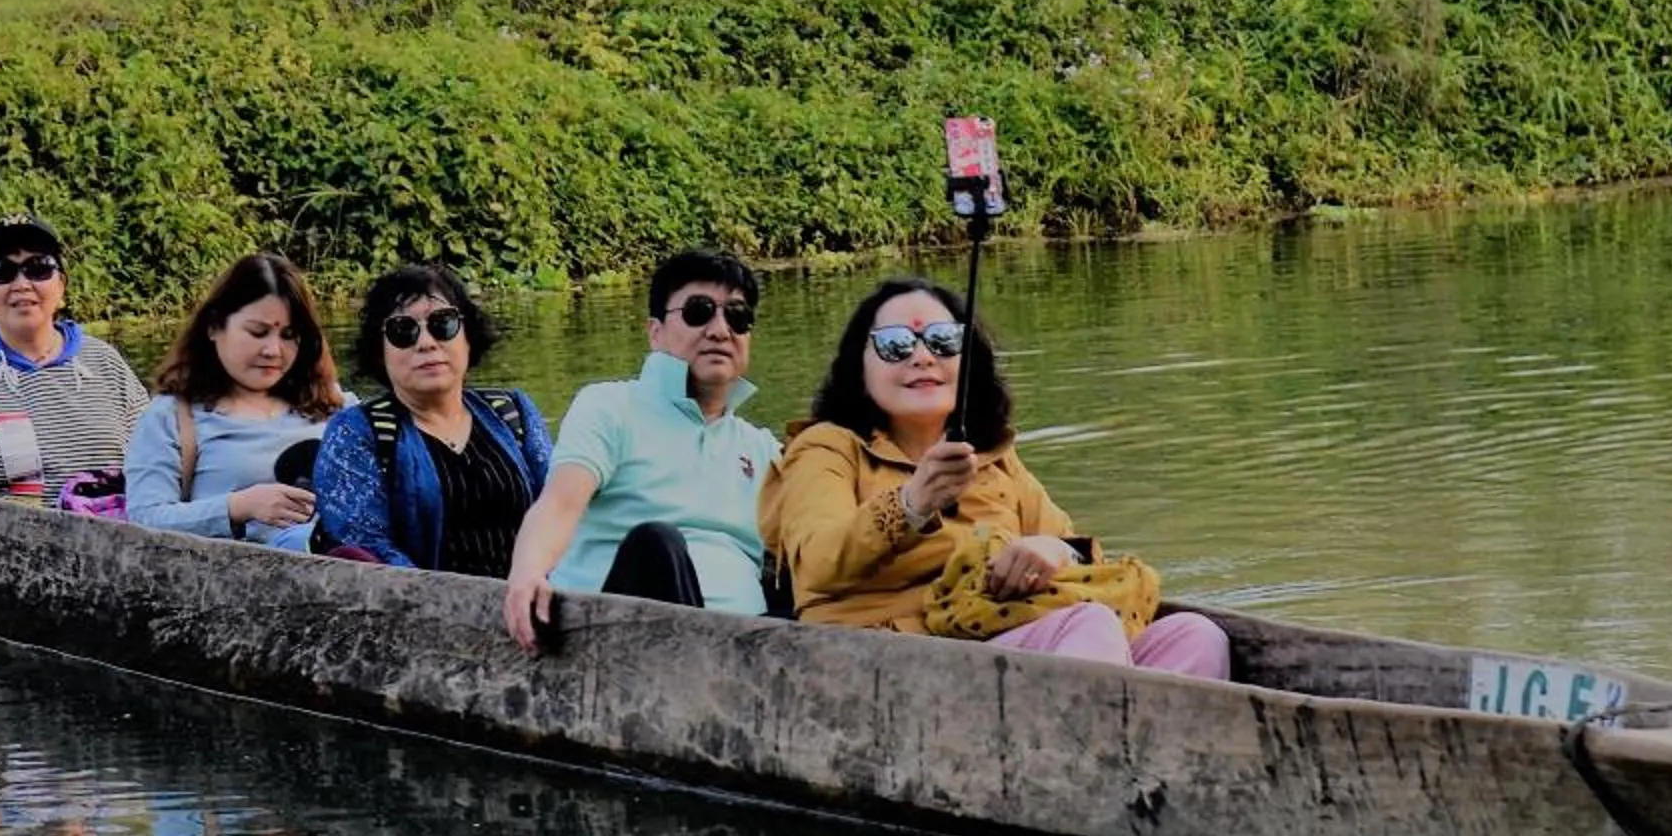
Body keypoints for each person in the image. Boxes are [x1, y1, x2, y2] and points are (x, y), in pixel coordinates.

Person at [757, 278, 1231, 676]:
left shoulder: (991, 457)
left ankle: (1139, 769)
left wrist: (1051, 550)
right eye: (895, 345)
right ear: (859, 369)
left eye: (942, 341)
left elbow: (1075, 548)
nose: (922, 357)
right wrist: (910, 504)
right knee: (1088, 626)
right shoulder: (827, 448)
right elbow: (816, 563)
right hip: (886, 661)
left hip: (998, 636)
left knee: (1196, 635)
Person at [502, 250, 782, 650]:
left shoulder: (761, 448)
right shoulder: (609, 407)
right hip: (616, 646)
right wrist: (528, 569)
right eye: (699, 311)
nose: (721, 330)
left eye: (737, 316)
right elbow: (560, 503)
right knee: (657, 545)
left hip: (743, 648)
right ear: (656, 332)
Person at [313, 264, 552, 576]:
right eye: (403, 331)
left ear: (467, 336)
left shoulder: (512, 411)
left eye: (443, 324)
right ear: (378, 350)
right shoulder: (357, 433)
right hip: (425, 610)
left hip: (533, 597)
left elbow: (560, 509)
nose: (426, 343)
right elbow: (367, 548)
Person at [125, 252, 344, 549]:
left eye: (289, 335)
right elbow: (143, 520)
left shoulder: (334, 404)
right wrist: (237, 507)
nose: (273, 350)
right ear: (214, 326)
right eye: (258, 332)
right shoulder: (172, 417)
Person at [0, 214, 146, 501]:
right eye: (3, 271)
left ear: (61, 284)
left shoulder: (105, 363)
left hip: (119, 533)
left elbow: (156, 464)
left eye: (38, 268)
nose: (22, 283)